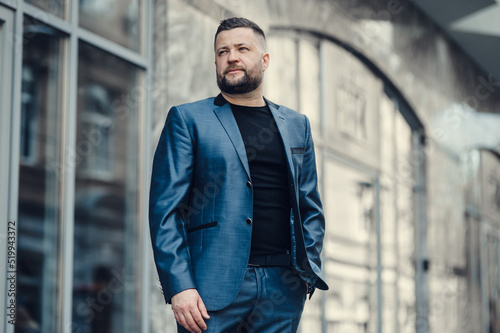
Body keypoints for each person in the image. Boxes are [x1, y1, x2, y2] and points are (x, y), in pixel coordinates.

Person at [149, 17, 328, 333]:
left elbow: (309, 205)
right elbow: (166, 212)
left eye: (242, 48)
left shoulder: (297, 125)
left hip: (283, 290)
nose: (231, 57)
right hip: (209, 292)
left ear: (264, 59)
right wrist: (179, 285)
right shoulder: (188, 119)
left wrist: (305, 272)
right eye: (222, 52)